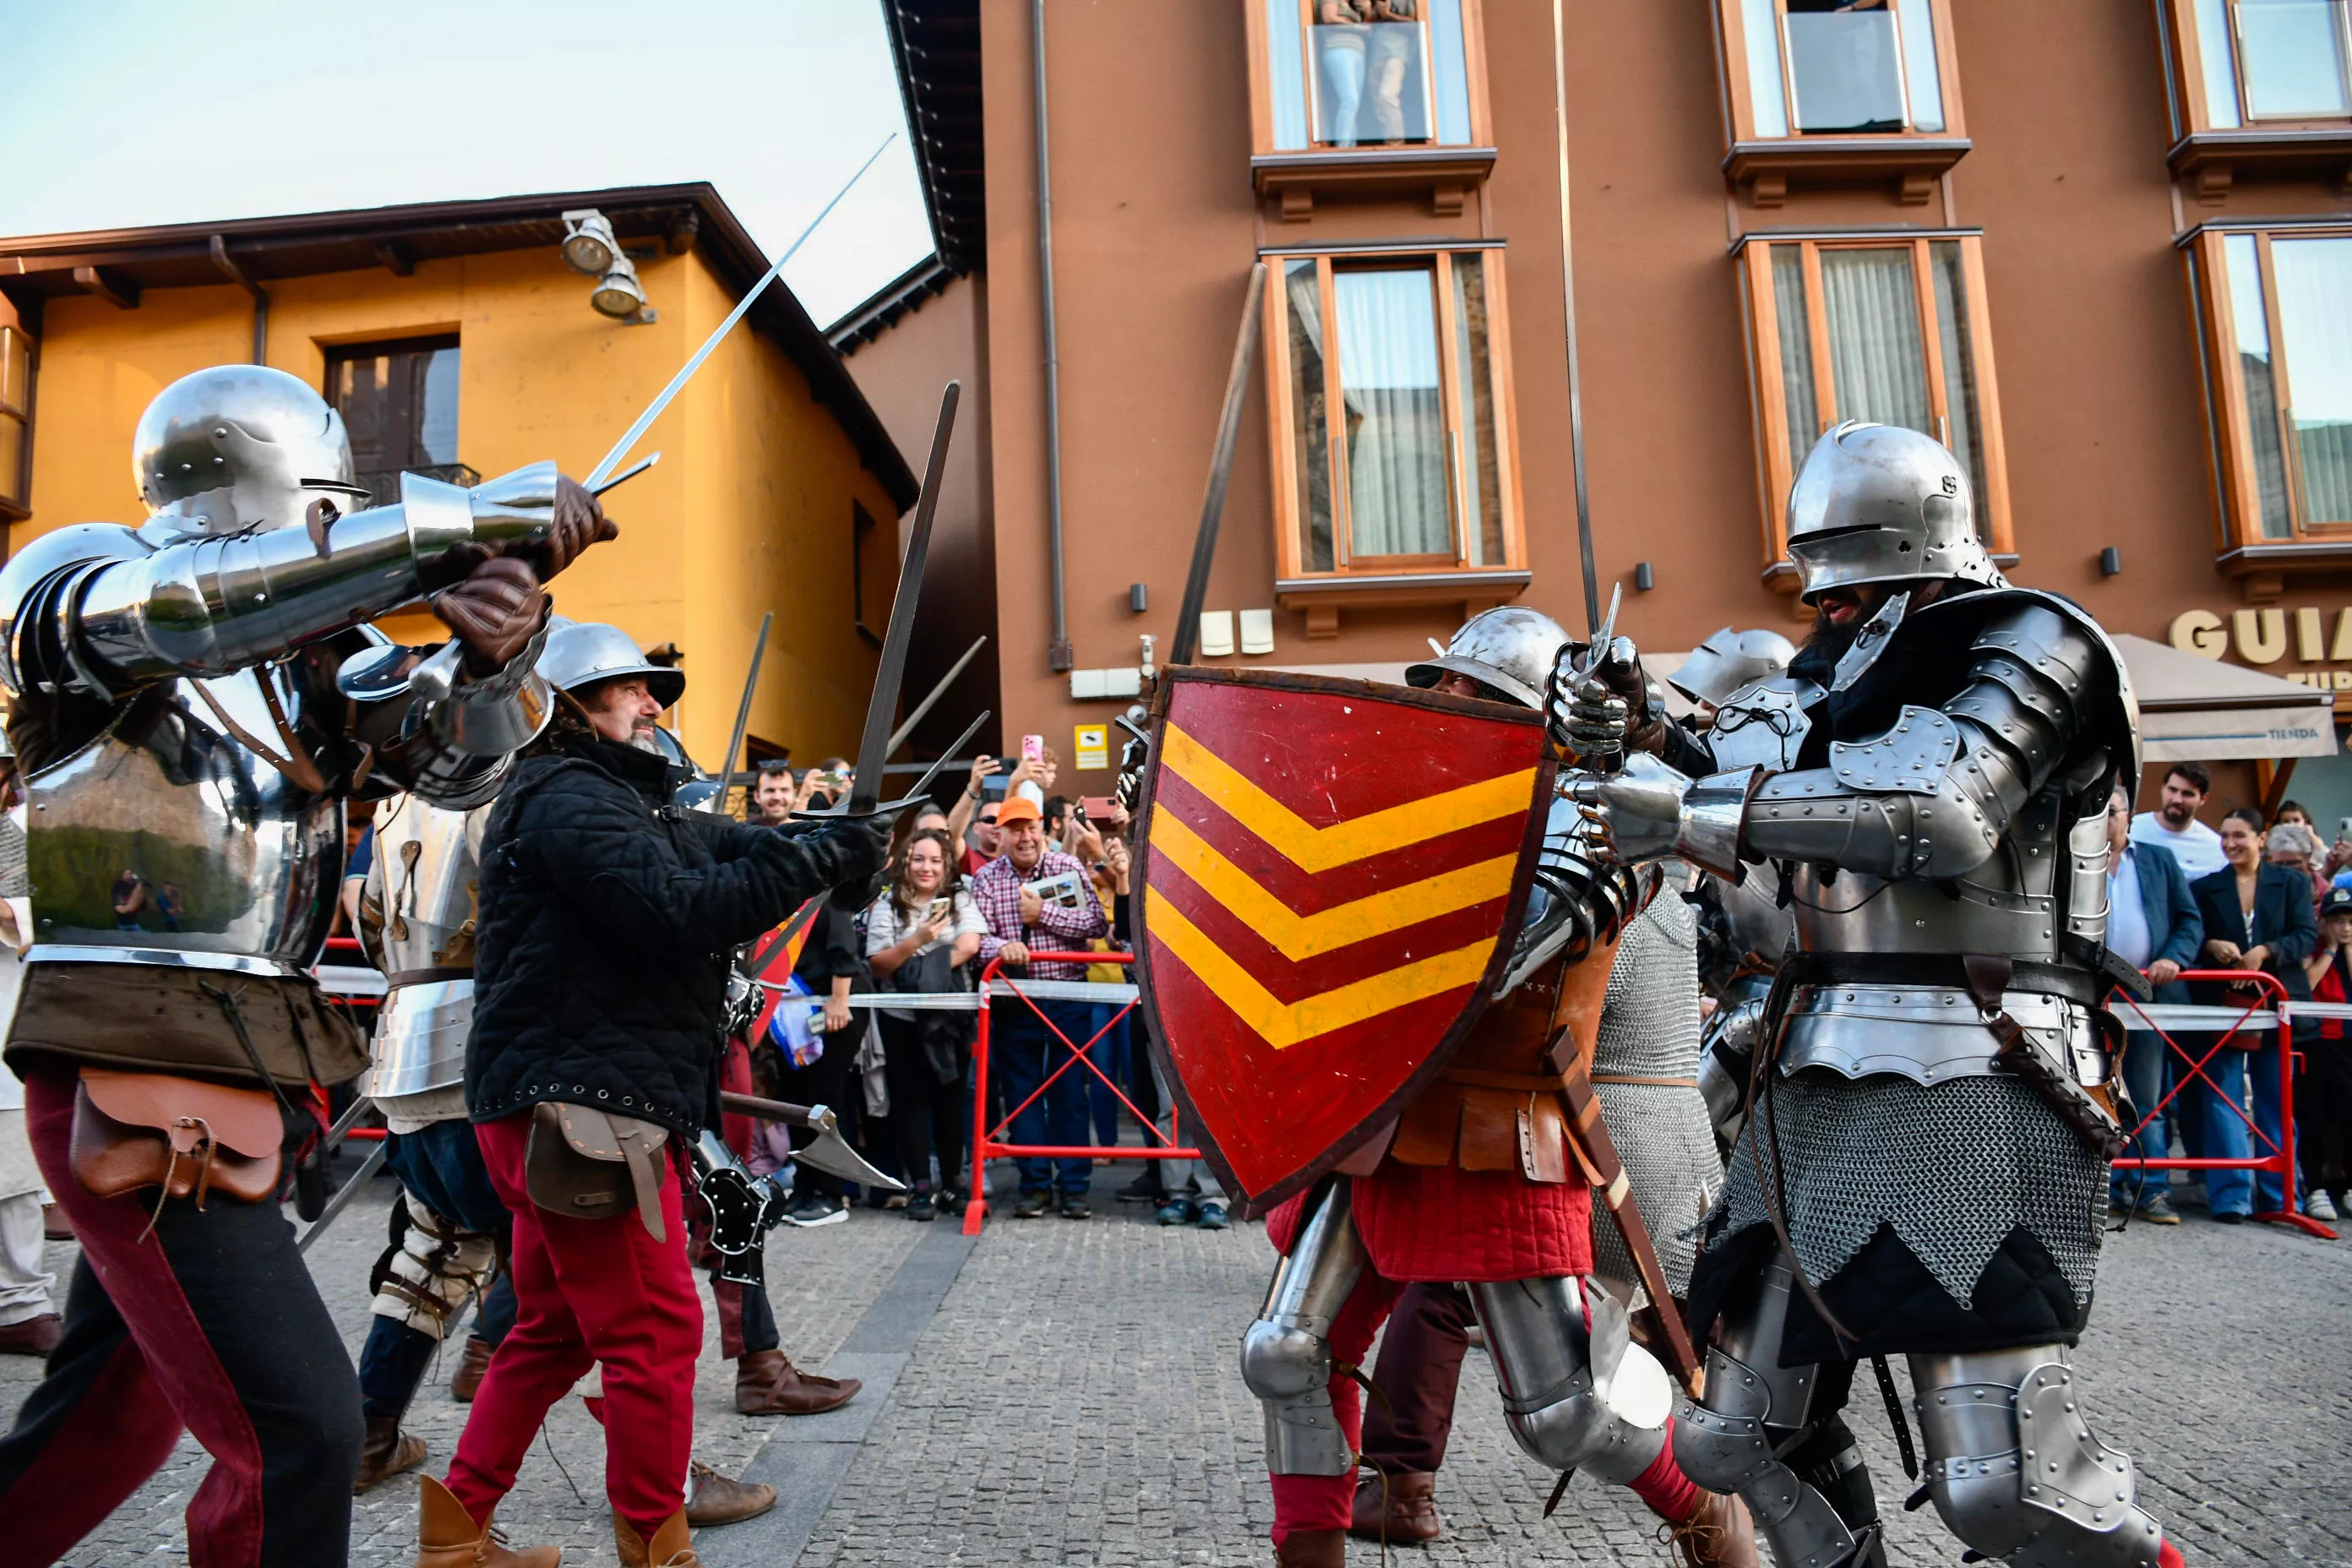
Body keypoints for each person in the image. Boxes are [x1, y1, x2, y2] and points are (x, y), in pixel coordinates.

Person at [0, 362, 612, 1568]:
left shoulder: (312, 648)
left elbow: (447, 761)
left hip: (238, 1057)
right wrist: (462, 525)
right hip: (135, 1053)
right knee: (303, 1429)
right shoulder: (79, 571)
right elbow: (191, 609)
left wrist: (494, 650)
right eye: (333, 507)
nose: (345, 528)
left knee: (107, 1414)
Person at [1574, 420, 2186, 1568]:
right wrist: (1650, 726)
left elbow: (1944, 815)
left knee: (2002, 1489)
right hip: (1807, 1074)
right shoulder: (1836, 665)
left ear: (1915, 553)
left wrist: (1693, 817)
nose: (1832, 608)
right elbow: (1755, 762)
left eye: (1853, 582)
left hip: (1977, 1064)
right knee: (1726, 1438)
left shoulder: (2034, 641)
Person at [1200, 606, 1755, 1568]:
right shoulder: (1413, 808)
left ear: (1540, 718)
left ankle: (1715, 1522)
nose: (1451, 707)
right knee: (1286, 1351)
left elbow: (1473, 967)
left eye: (1480, 694)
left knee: (1565, 1414)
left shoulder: (1593, 824)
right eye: (1448, 688)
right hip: (1381, 1113)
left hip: (1500, 1121)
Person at [427, 623, 885, 1568]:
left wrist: (824, 842)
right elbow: (680, 909)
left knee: (551, 1330)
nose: (653, 703)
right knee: (656, 1328)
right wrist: (812, 862)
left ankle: (459, 1531)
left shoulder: (609, 800)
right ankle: (655, 1546)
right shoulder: (566, 799)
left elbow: (723, 843)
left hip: (580, 1101)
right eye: (631, 688)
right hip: (584, 1109)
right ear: (569, 706)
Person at [1347, 882, 1723, 1549]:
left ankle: (1402, 1486)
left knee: (1445, 1289)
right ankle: (1732, 1458)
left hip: (1584, 1131)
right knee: (1686, 1319)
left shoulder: (1584, 880)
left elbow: (1515, 1002)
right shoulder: (1667, 898)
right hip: (1677, 1137)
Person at [971, 794, 1111, 1218]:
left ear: (1043, 829)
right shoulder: (987, 878)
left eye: (1030, 827)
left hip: (1067, 996)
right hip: (1016, 1000)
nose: (1024, 837)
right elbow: (978, 940)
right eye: (1015, 829)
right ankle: (1034, 1186)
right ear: (1002, 835)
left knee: (1070, 1093)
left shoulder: (1067, 867)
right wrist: (1004, 946)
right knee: (1022, 1094)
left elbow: (1095, 925)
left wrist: (1042, 913)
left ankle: (1074, 1187)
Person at [2188, 807, 2317, 1225]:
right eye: (2224, 836)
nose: (2230, 844)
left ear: (2261, 839)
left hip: (2275, 1004)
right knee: (2222, 1098)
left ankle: (2281, 1197)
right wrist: (2211, 947)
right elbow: (2192, 935)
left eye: (2239, 835)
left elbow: (2306, 936)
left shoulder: (2292, 882)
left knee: (2275, 1099)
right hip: (2223, 1004)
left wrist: (2265, 951)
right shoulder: (2206, 887)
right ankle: (2231, 1198)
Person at [867, 827, 984, 1219]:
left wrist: (919, 973)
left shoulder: (960, 898)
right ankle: (919, 1184)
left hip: (951, 1018)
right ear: (906, 861)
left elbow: (970, 944)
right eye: (919, 858)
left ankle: (953, 1182)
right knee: (910, 1103)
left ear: (946, 864)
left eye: (935, 860)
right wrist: (916, 941)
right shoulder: (887, 904)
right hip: (902, 1020)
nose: (927, 867)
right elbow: (879, 963)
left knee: (950, 1101)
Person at [2104, 781, 2201, 1225]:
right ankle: (2098, 1191)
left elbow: (2188, 920)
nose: (2107, 820)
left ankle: (2151, 1189)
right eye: (2100, 811)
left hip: (2145, 998)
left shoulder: (2159, 861)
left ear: (2130, 817)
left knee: (2147, 1099)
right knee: (2089, 1098)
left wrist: (2172, 958)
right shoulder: (2070, 864)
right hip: (2091, 999)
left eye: (2115, 811)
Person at [0, 751, 53, 1359]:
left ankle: (21, 1304)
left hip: (4, 1019)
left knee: (11, 1177)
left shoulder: (11, 835)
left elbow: (30, 916)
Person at [2297, 887, 2352, 1222]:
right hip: (2316, 1040)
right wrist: (2331, 950)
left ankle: (2344, 1183)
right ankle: (2315, 1186)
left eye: (2349, 921)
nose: (2345, 928)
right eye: (2337, 921)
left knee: (2348, 1116)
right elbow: (2307, 983)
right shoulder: (2314, 948)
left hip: (2348, 1042)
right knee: (2313, 1117)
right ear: (2324, 922)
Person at [2132, 761, 2228, 882]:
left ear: (2203, 799)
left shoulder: (2216, 849)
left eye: (2187, 794)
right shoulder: (2132, 830)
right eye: (2172, 790)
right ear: (2163, 789)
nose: (2177, 800)